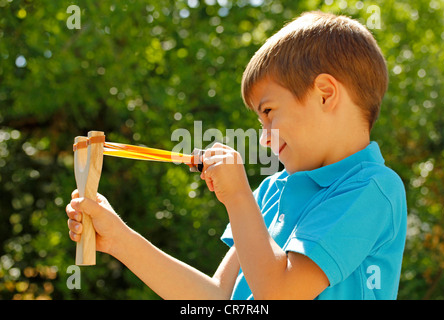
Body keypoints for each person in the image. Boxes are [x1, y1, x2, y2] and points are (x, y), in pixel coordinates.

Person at [66, 11, 407, 300]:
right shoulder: (273, 191)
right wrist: (119, 240)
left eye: (269, 111)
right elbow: (217, 297)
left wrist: (239, 196)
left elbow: (279, 293)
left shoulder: (372, 188)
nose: (264, 136)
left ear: (325, 94)